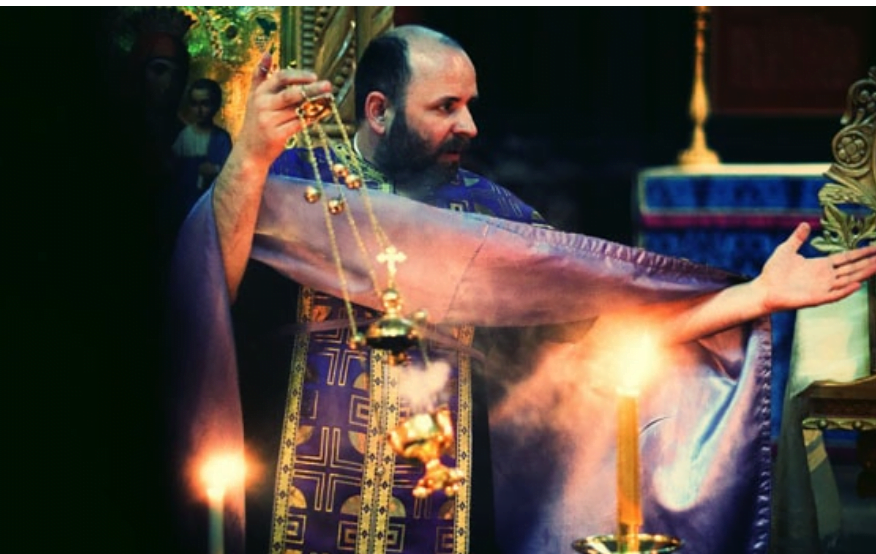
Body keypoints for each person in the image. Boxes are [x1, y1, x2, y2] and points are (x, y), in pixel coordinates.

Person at [168, 25, 876, 554]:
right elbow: (207, 293)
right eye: (446, 106)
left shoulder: (490, 216)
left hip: (443, 501)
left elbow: (603, 332)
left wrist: (757, 297)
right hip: (293, 497)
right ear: (378, 110)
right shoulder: (291, 182)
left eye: (470, 104)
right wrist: (251, 160)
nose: (470, 125)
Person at [170, 77, 233, 233]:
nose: (199, 110)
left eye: (204, 104)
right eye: (194, 104)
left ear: (215, 105)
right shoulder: (184, 137)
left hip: (211, 208)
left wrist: (216, 169)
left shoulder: (221, 139)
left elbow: (230, 173)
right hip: (185, 207)